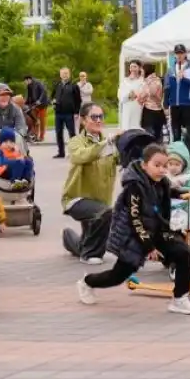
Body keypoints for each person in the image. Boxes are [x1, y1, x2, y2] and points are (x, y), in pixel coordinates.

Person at [76, 142, 190, 316]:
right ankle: (87, 282)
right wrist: (149, 247)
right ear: (144, 164)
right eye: (157, 165)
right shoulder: (134, 187)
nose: (162, 170)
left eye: (164, 166)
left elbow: (169, 194)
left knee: (183, 252)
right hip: (134, 236)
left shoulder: (162, 182)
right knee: (117, 276)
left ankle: (180, 299)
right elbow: (135, 220)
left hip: (157, 230)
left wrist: (187, 194)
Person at [63, 102, 120, 265]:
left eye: (101, 117)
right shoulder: (75, 142)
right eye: (94, 117)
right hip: (76, 200)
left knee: (87, 239)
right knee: (105, 213)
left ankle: (69, 238)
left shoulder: (110, 144)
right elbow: (81, 156)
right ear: (82, 120)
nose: (98, 120)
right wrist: (106, 144)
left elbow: (123, 159)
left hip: (99, 202)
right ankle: (90, 255)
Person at [164, 44, 190, 168]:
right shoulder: (170, 69)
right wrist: (166, 103)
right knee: (176, 135)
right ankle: (176, 163)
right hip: (175, 105)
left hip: (188, 105)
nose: (179, 55)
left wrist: (184, 79)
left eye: (181, 53)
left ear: (185, 53)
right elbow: (167, 87)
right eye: (177, 53)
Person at [51, 67, 83, 159]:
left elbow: (78, 100)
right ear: (60, 75)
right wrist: (53, 101)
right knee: (58, 133)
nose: (65, 75)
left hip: (69, 113)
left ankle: (74, 152)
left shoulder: (74, 86)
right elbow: (52, 96)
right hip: (58, 113)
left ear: (69, 74)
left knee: (72, 133)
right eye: (63, 73)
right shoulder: (57, 85)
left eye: (66, 73)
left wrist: (76, 112)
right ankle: (61, 152)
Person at [138, 65, 166, 141]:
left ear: (147, 70)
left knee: (149, 136)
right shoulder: (158, 80)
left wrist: (140, 98)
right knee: (158, 135)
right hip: (159, 111)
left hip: (149, 112)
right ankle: (159, 150)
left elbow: (142, 97)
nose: (141, 72)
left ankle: (152, 151)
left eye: (142, 71)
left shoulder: (147, 82)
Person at [119, 62, 145, 131]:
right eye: (131, 67)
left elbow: (143, 92)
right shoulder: (124, 80)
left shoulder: (142, 80)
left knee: (136, 125)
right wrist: (128, 95)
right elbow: (120, 93)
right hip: (127, 105)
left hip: (137, 106)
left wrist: (136, 94)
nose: (133, 69)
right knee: (126, 126)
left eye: (135, 67)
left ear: (139, 68)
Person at [23, 75, 48, 143]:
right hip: (34, 105)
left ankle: (41, 136)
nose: (25, 82)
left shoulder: (38, 83)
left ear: (29, 79)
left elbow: (44, 91)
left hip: (42, 104)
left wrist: (40, 100)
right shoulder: (28, 86)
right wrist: (25, 103)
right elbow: (28, 96)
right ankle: (35, 136)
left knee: (42, 121)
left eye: (25, 81)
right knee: (34, 120)